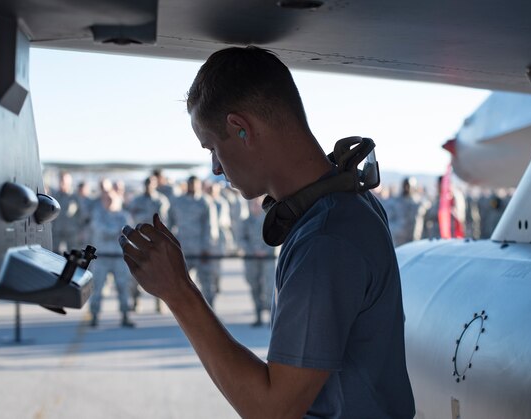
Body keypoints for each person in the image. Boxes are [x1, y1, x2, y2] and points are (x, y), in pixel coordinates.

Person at [118, 46, 414, 418]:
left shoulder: (325, 241)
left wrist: (178, 292)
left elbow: (273, 410)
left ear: (242, 129)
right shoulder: (344, 205)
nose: (214, 168)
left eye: (213, 147)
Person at [89, 183, 136, 328]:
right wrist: (115, 231)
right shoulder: (97, 214)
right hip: (102, 257)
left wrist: (115, 232)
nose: (108, 201)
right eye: (105, 199)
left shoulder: (124, 216)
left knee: (123, 287)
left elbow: (127, 233)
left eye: (111, 199)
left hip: (118, 257)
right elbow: (100, 230)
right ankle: (95, 315)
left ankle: (125, 315)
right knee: (97, 287)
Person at [167, 176, 219, 306]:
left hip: (201, 249)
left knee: (206, 282)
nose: (193, 187)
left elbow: (211, 226)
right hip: (182, 248)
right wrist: (170, 246)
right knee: (181, 281)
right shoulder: (177, 202)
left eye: (196, 184)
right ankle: (186, 310)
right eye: (191, 184)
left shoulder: (205, 202)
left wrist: (207, 248)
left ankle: (210, 310)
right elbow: (169, 224)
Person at [127, 176, 171, 312]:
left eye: (151, 184)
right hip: (138, 240)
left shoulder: (161, 200)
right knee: (136, 272)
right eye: (146, 184)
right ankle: (135, 300)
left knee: (158, 272)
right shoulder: (136, 201)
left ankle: (159, 302)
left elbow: (164, 221)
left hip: (155, 241)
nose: (148, 186)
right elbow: (131, 217)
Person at [239, 196, 278, 327]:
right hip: (251, 259)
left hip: (267, 259)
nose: (255, 206)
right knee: (254, 286)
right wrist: (252, 251)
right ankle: (258, 315)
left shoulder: (268, 219)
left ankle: (270, 317)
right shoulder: (245, 222)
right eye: (252, 204)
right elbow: (241, 239)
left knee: (269, 287)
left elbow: (275, 237)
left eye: (257, 203)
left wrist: (265, 251)